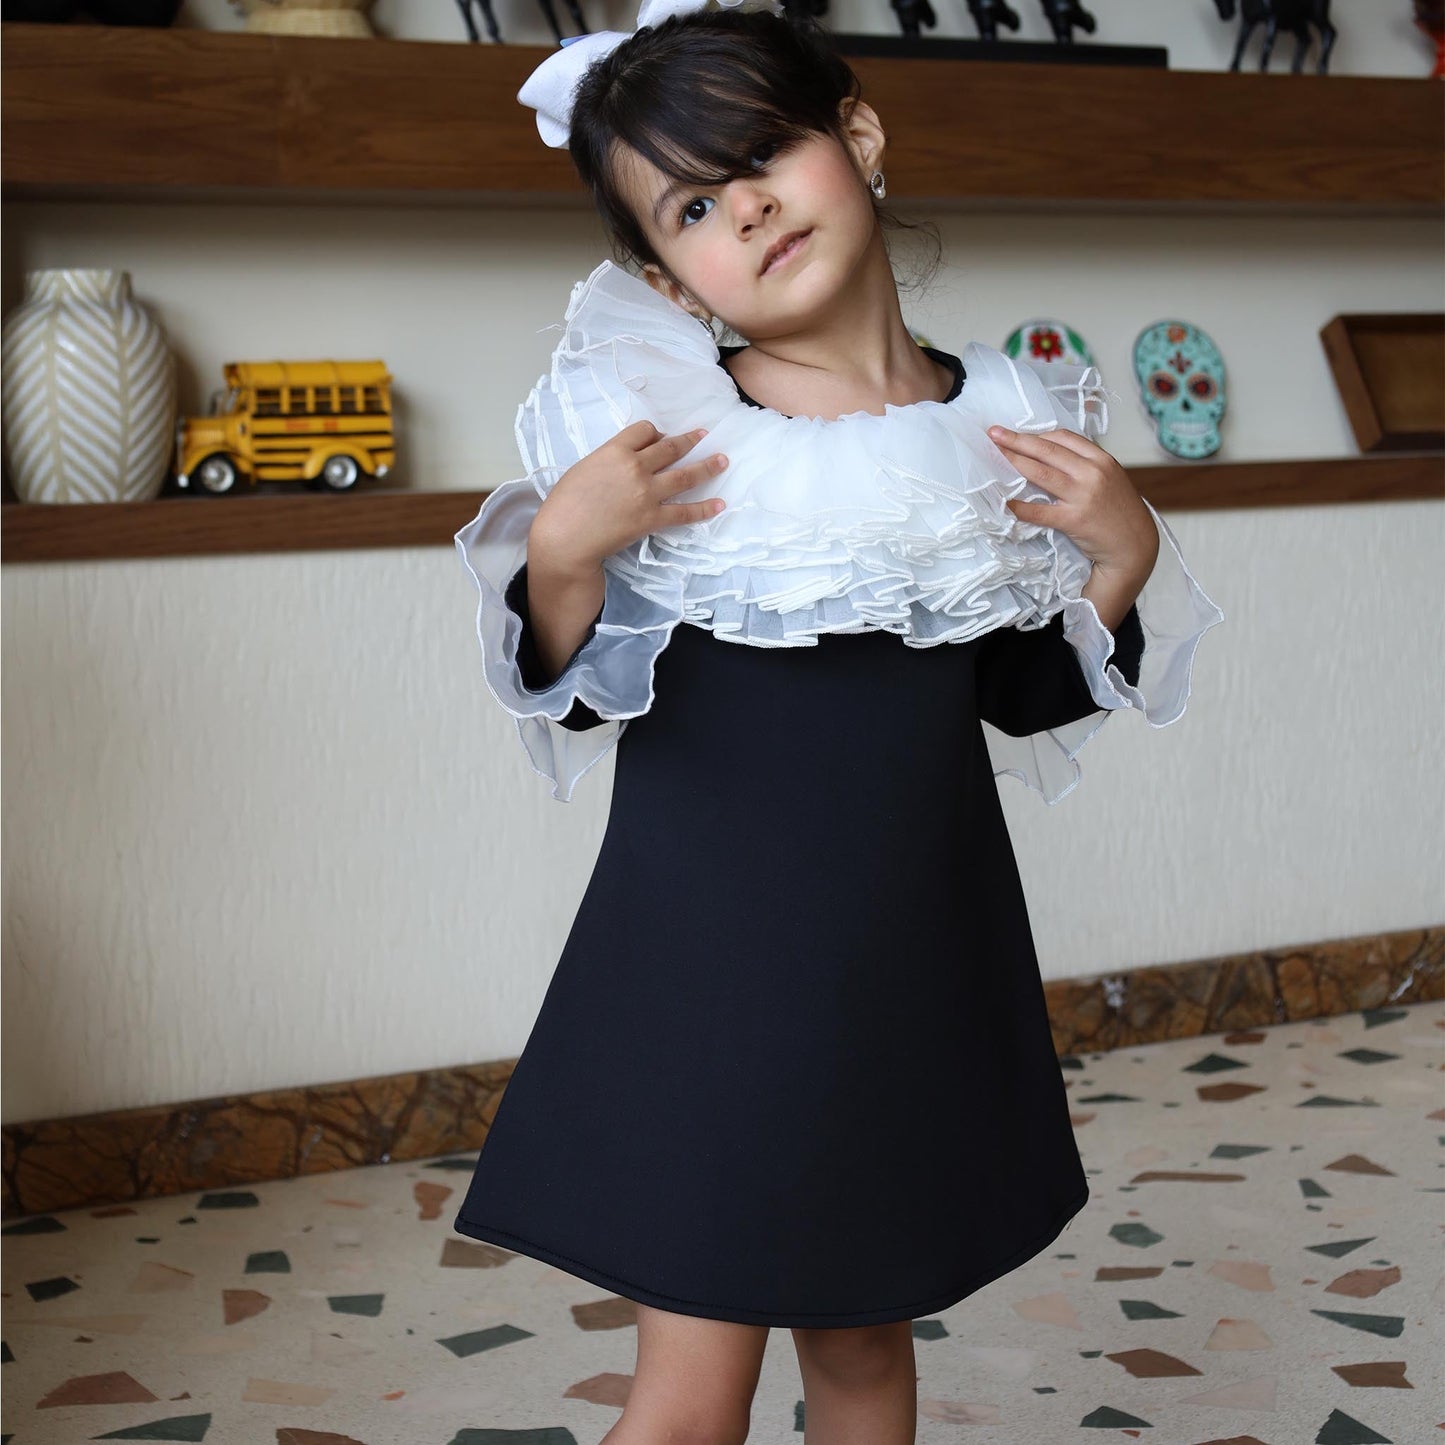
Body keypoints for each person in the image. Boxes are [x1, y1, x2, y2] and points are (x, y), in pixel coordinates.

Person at [451, 1, 1224, 1439]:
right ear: (665, 277)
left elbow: (1016, 695)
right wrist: (561, 553)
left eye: (761, 154)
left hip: (908, 969)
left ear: (857, 138)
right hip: (707, 978)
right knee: (691, 1395)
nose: (742, 205)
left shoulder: (994, 427)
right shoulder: (672, 440)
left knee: (866, 1351)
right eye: (691, 204)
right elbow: (576, 682)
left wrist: (1119, 559)